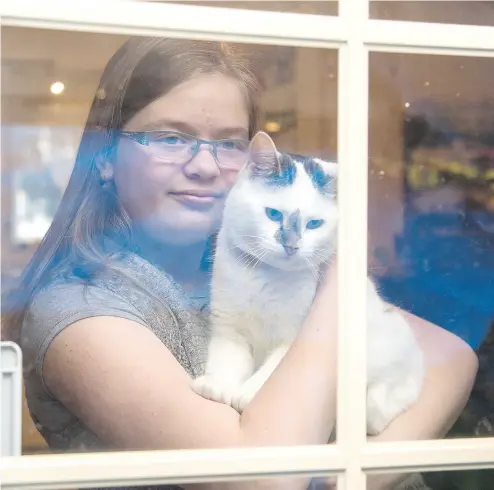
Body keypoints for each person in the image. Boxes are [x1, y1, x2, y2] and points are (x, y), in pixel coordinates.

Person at [1, 37, 478, 490]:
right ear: (104, 156)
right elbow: (259, 477)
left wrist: (352, 478)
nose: (206, 167)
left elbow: (450, 356)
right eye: (170, 137)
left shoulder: (246, 262)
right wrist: (341, 273)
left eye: (229, 144)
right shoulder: (79, 312)